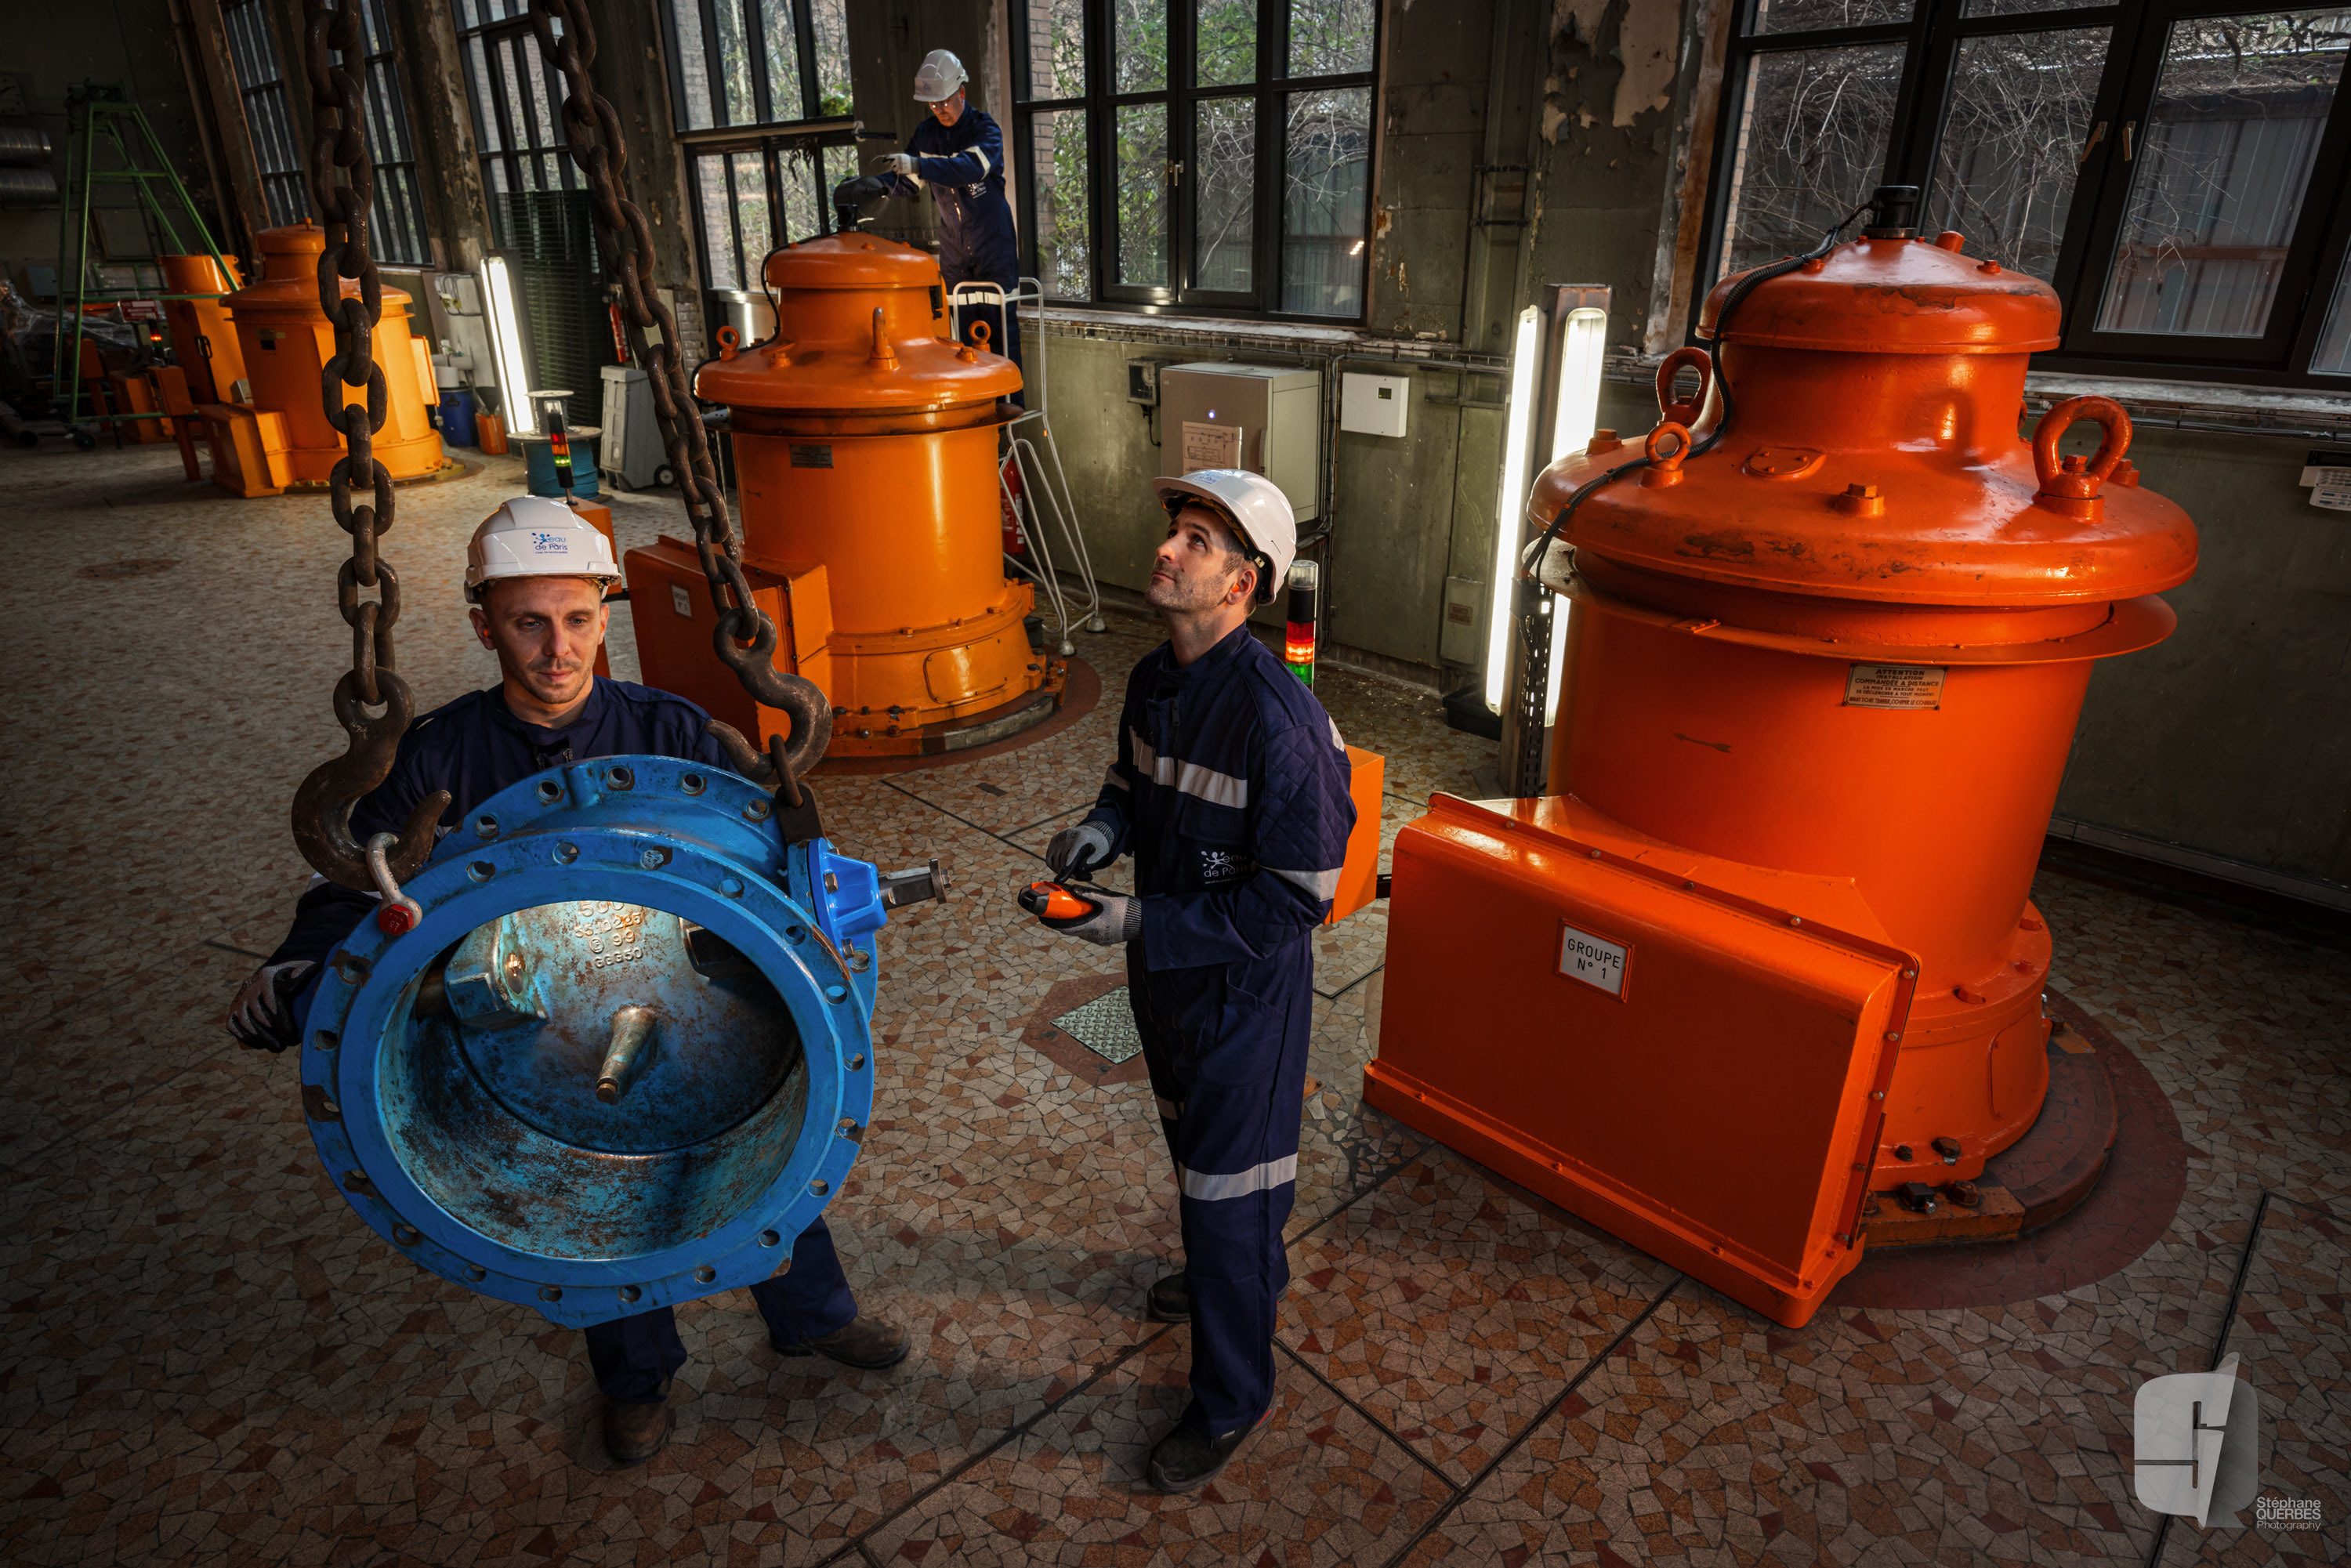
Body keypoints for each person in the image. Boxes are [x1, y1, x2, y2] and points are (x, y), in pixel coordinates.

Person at [225, 496, 908, 1468]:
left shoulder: (666, 728)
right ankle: (637, 1383)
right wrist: (301, 963)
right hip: (534, 1036)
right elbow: (356, 879)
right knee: (596, 1208)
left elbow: (770, 855)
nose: (558, 650)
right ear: (483, 625)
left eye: (579, 620)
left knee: (768, 1141)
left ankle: (812, 1314)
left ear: (604, 615)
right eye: (528, 623)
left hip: (702, 998)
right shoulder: (439, 756)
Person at [1029, 469, 1355, 1492]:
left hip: (1243, 1008)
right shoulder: (1151, 680)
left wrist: (1133, 918)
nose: (1170, 549)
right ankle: (1236, 1276)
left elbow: (1300, 898)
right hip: (1167, 986)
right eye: (1176, 530)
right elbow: (1130, 784)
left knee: (1225, 1196)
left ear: (1243, 585)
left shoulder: (1281, 726)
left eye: (1200, 542)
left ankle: (1231, 1396)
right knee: (1200, 1169)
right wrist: (1099, 831)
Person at [879, 48, 1023, 400]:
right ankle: (970, 416)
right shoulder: (926, 134)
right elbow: (910, 182)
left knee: (998, 335)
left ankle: (1007, 425)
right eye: (932, 104)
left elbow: (968, 168)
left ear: (961, 92)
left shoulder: (984, 130)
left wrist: (918, 165)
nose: (939, 109)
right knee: (960, 341)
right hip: (955, 249)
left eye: (944, 101)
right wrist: (872, 188)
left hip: (993, 244)